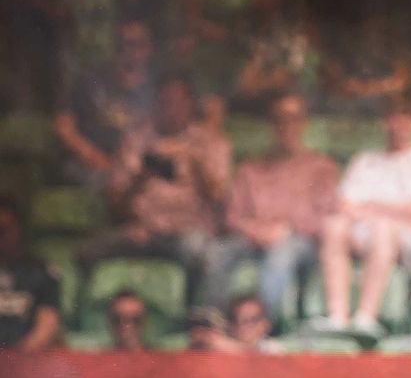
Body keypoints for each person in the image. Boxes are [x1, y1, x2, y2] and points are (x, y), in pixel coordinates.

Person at [77, 75, 233, 308]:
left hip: (187, 233)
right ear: (155, 104)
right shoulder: (135, 141)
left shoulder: (210, 142)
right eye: (164, 102)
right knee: (86, 252)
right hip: (141, 233)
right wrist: (141, 176)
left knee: (199, 251)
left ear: (190, 104)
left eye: (177, 102)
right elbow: (114, 206)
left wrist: (195, 161)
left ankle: (192, 320)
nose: (170, 110)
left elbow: (221, 201)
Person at [312, 96, 411, 339]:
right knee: (333, 226)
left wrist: (373, 209)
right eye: (394, 116)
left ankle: (365, 317)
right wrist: (390, 211)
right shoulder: (365, 161)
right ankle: (338, 317)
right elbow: (345, 204)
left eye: (407, 116)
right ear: (385, 121)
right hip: (362, 234)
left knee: (383, 228)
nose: (400, 124)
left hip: (409, 240)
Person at [204, 92, 339, 318]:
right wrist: (257, 231)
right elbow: (232, 216)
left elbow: (327, 216)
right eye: (280, 119)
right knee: (216, 252)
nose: (286, 126)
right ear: (271, 124)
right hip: (252, 240)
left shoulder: (321, 167)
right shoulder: (250, 169)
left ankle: (262, 327)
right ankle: (213, 322)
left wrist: (287, 230)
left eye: (293, 119)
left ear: (304, 123)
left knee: (282, 252)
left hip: (300, 242)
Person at [54, 19, 155, 186]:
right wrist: (91, 154)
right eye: (120, 45)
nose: (126, 51)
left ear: (148, 49)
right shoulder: (90, 80)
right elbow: (62, 126)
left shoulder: (158, 90)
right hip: (91, 165)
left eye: (134, 44)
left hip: (137, 166)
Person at [0, 197, 61, 351]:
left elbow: (47, 324)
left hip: (25, 363)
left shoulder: (41, 273)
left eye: (3, 230)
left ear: (18, 229)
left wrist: (15, 361)